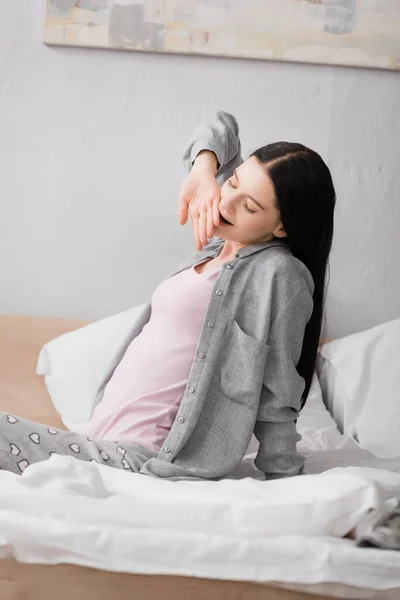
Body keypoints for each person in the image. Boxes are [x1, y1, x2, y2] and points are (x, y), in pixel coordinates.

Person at [0, 111, 336, 481]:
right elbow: (220, 124)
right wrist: (203, 172)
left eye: (250, 206)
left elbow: (278, 388)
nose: (227, 203)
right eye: (233, 183)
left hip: (147, 455)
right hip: (97, 442)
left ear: (283, 225)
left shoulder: (278, 273)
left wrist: (283, 475)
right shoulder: (215, 247)